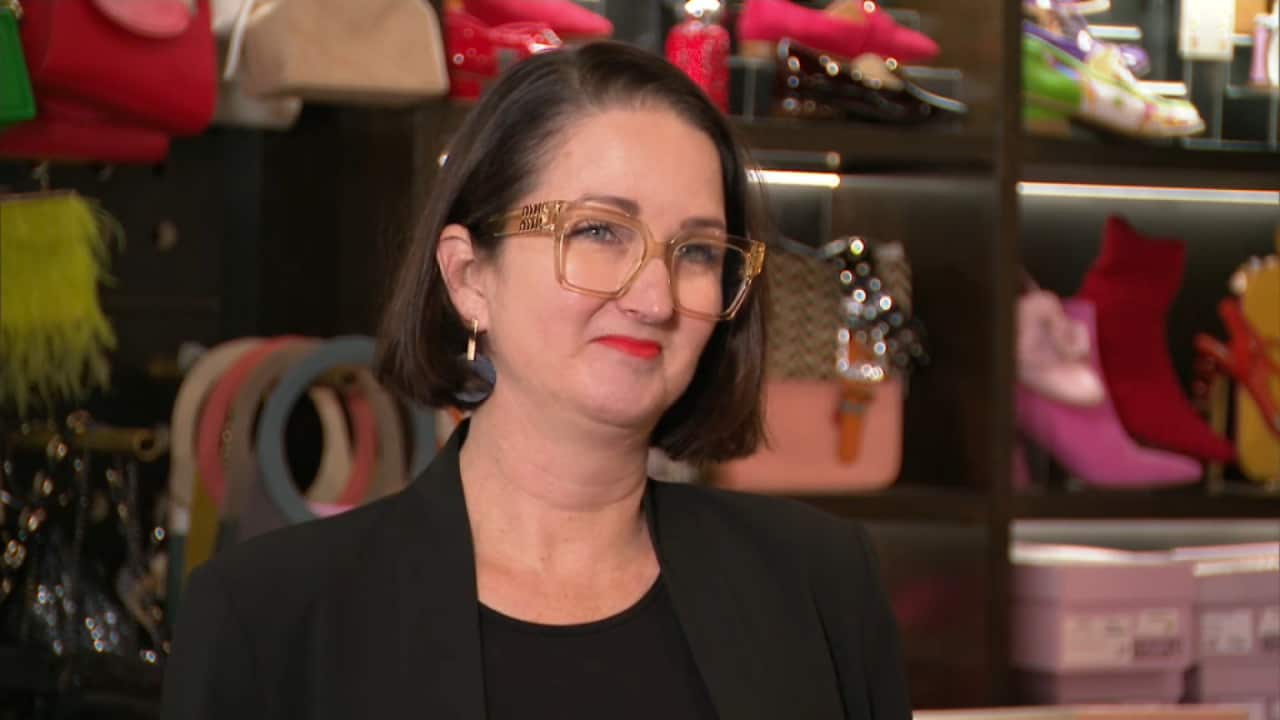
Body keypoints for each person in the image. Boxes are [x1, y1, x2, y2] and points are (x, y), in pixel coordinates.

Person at [161, 41, 910, 719]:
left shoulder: (817, 584)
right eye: (598, 231)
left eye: (698, 251)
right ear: (468, 277)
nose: (654, 298)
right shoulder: (269, 617)